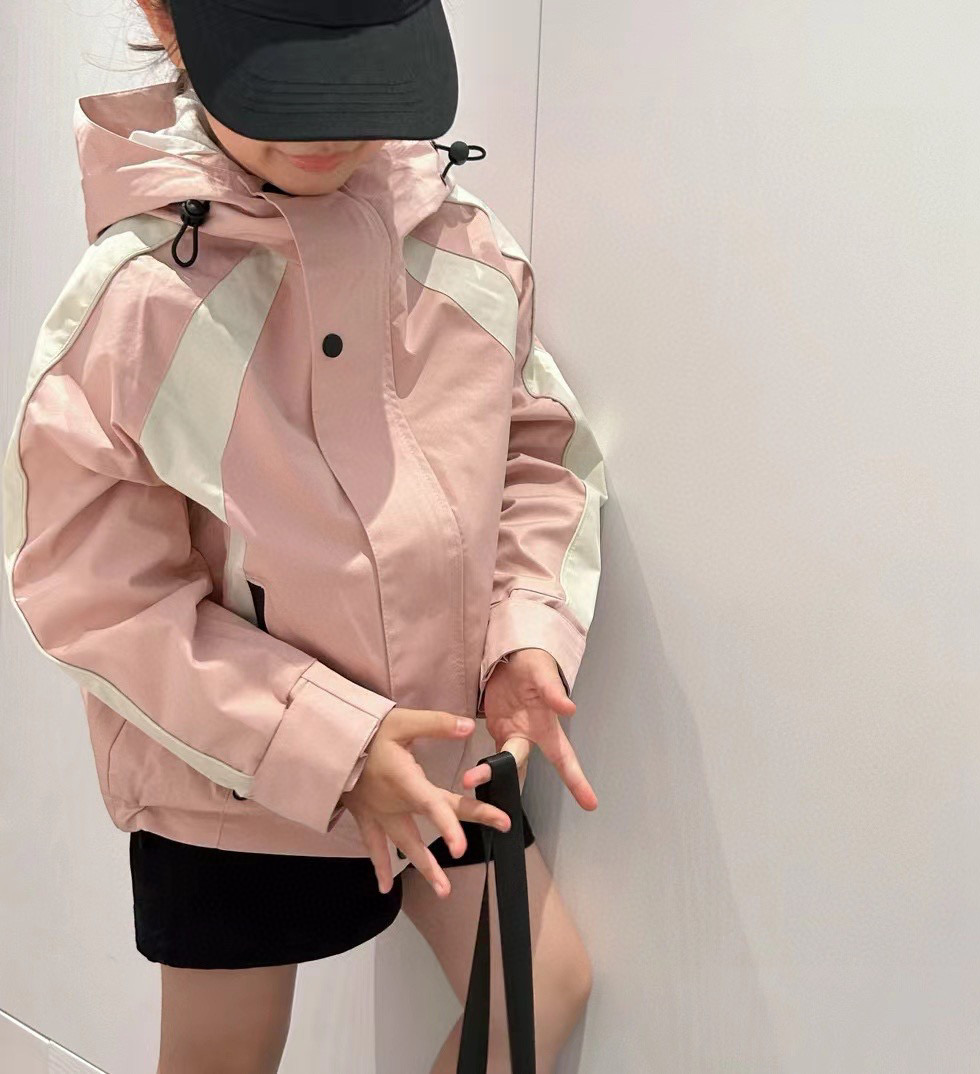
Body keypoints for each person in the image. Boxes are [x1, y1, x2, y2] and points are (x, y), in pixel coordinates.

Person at [1, 1, 608, 1070]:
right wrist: (335, 748)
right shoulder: (143, 300)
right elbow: (95, 595)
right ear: (167, 19)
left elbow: (534, 451)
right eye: (286, 87)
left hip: (442, 754)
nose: (328, 128)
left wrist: (526, 637)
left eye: (364, 80)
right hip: (235, 788)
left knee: (538, 991)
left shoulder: (455, 240)